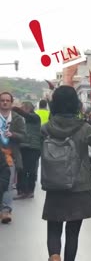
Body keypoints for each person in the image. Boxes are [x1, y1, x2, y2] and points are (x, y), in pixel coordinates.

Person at [41, 86, 91, 261]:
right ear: (76, 103)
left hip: (54, 183)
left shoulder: (45, 128)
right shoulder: (84, 128)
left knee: (54, 227)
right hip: (78, 185)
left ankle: (54, 255)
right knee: (73, 232)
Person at [0, 92, 26, 224]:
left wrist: (12, 134)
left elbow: (23, 136)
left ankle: (6, 210)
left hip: (9, 155)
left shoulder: (17, 118)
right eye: (2, 100)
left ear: (11, 102)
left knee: (8, 184)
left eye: (7, 100)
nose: (4, 102)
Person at [13, 101, 42, 199]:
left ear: (27, 108)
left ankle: (28, 191)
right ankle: (22, 190)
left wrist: (15, 108)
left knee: (29, 170)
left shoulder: (35, 117)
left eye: (22, 108)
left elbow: (26, 115)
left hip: (32, 147)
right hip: (23, 146)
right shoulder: (21, 119)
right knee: (21, 169)